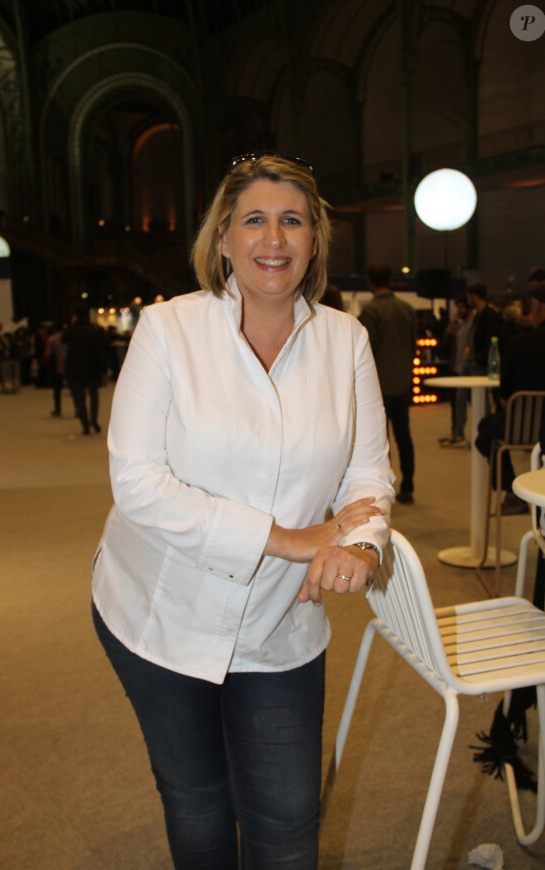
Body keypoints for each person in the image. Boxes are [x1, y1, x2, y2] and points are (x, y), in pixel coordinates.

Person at [91, 153, 394, 869]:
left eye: (292, 221)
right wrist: (292, 541)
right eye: (254, 220)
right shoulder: (169, 330)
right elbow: (136, 482)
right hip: (160, 617)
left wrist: (363, 546)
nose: (274, 239)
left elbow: (369, 472)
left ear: (315, 239)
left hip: (279, 622)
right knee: (197, 802)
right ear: (223, 238)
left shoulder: (345, 340)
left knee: (288, 822)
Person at [475, 279, 545, 514]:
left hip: (520, 429)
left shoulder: (520, 344)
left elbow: (505, 398)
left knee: (487, 429)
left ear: (536, 306)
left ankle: (510, 491)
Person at [359, 261, 417, 504]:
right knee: (404, 435)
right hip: (403, 382)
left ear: (370, 282)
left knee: (380, 441)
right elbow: (413, 345)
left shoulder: (370, 313)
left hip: (378, 387)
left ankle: (386, 489)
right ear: (391, 280)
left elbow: (365, 352)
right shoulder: (407, 309)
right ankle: (409, 485)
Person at [62, 305, 107, 434]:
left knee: (79, 397)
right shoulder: (94, 330)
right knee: (93, 395)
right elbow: (100, 351)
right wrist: (103, 369)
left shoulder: (71, 329)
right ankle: (94, 420)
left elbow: (63, 339)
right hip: (92, 367)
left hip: (74, 368)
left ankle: (85, 424)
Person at [438, 295, 474, 447]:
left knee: (474, 402)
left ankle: (469, 432)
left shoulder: (473, 325)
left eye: (462, 307)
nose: (459, 310)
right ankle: (456, 432)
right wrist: (449, 328)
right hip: (456, 368)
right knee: (455, 403)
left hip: (470, 370)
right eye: (458, 307)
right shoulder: (458, 326)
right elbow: (444, 345)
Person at [465, 282, 502, 374]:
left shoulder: (488, 316)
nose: (467, 300)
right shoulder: (479, 315)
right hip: (474, 361)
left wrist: (479, 359)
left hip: (480, 364)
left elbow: (491, 340)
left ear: (473, 296)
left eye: (468, 296)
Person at [45, 322, 68, 416]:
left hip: (57, 365)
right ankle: (77, 409)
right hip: (70, 365)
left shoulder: (52, 339)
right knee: (75, 390)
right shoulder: (69, 338)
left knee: (57, 390)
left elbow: (47, 353)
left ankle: (58, 409)